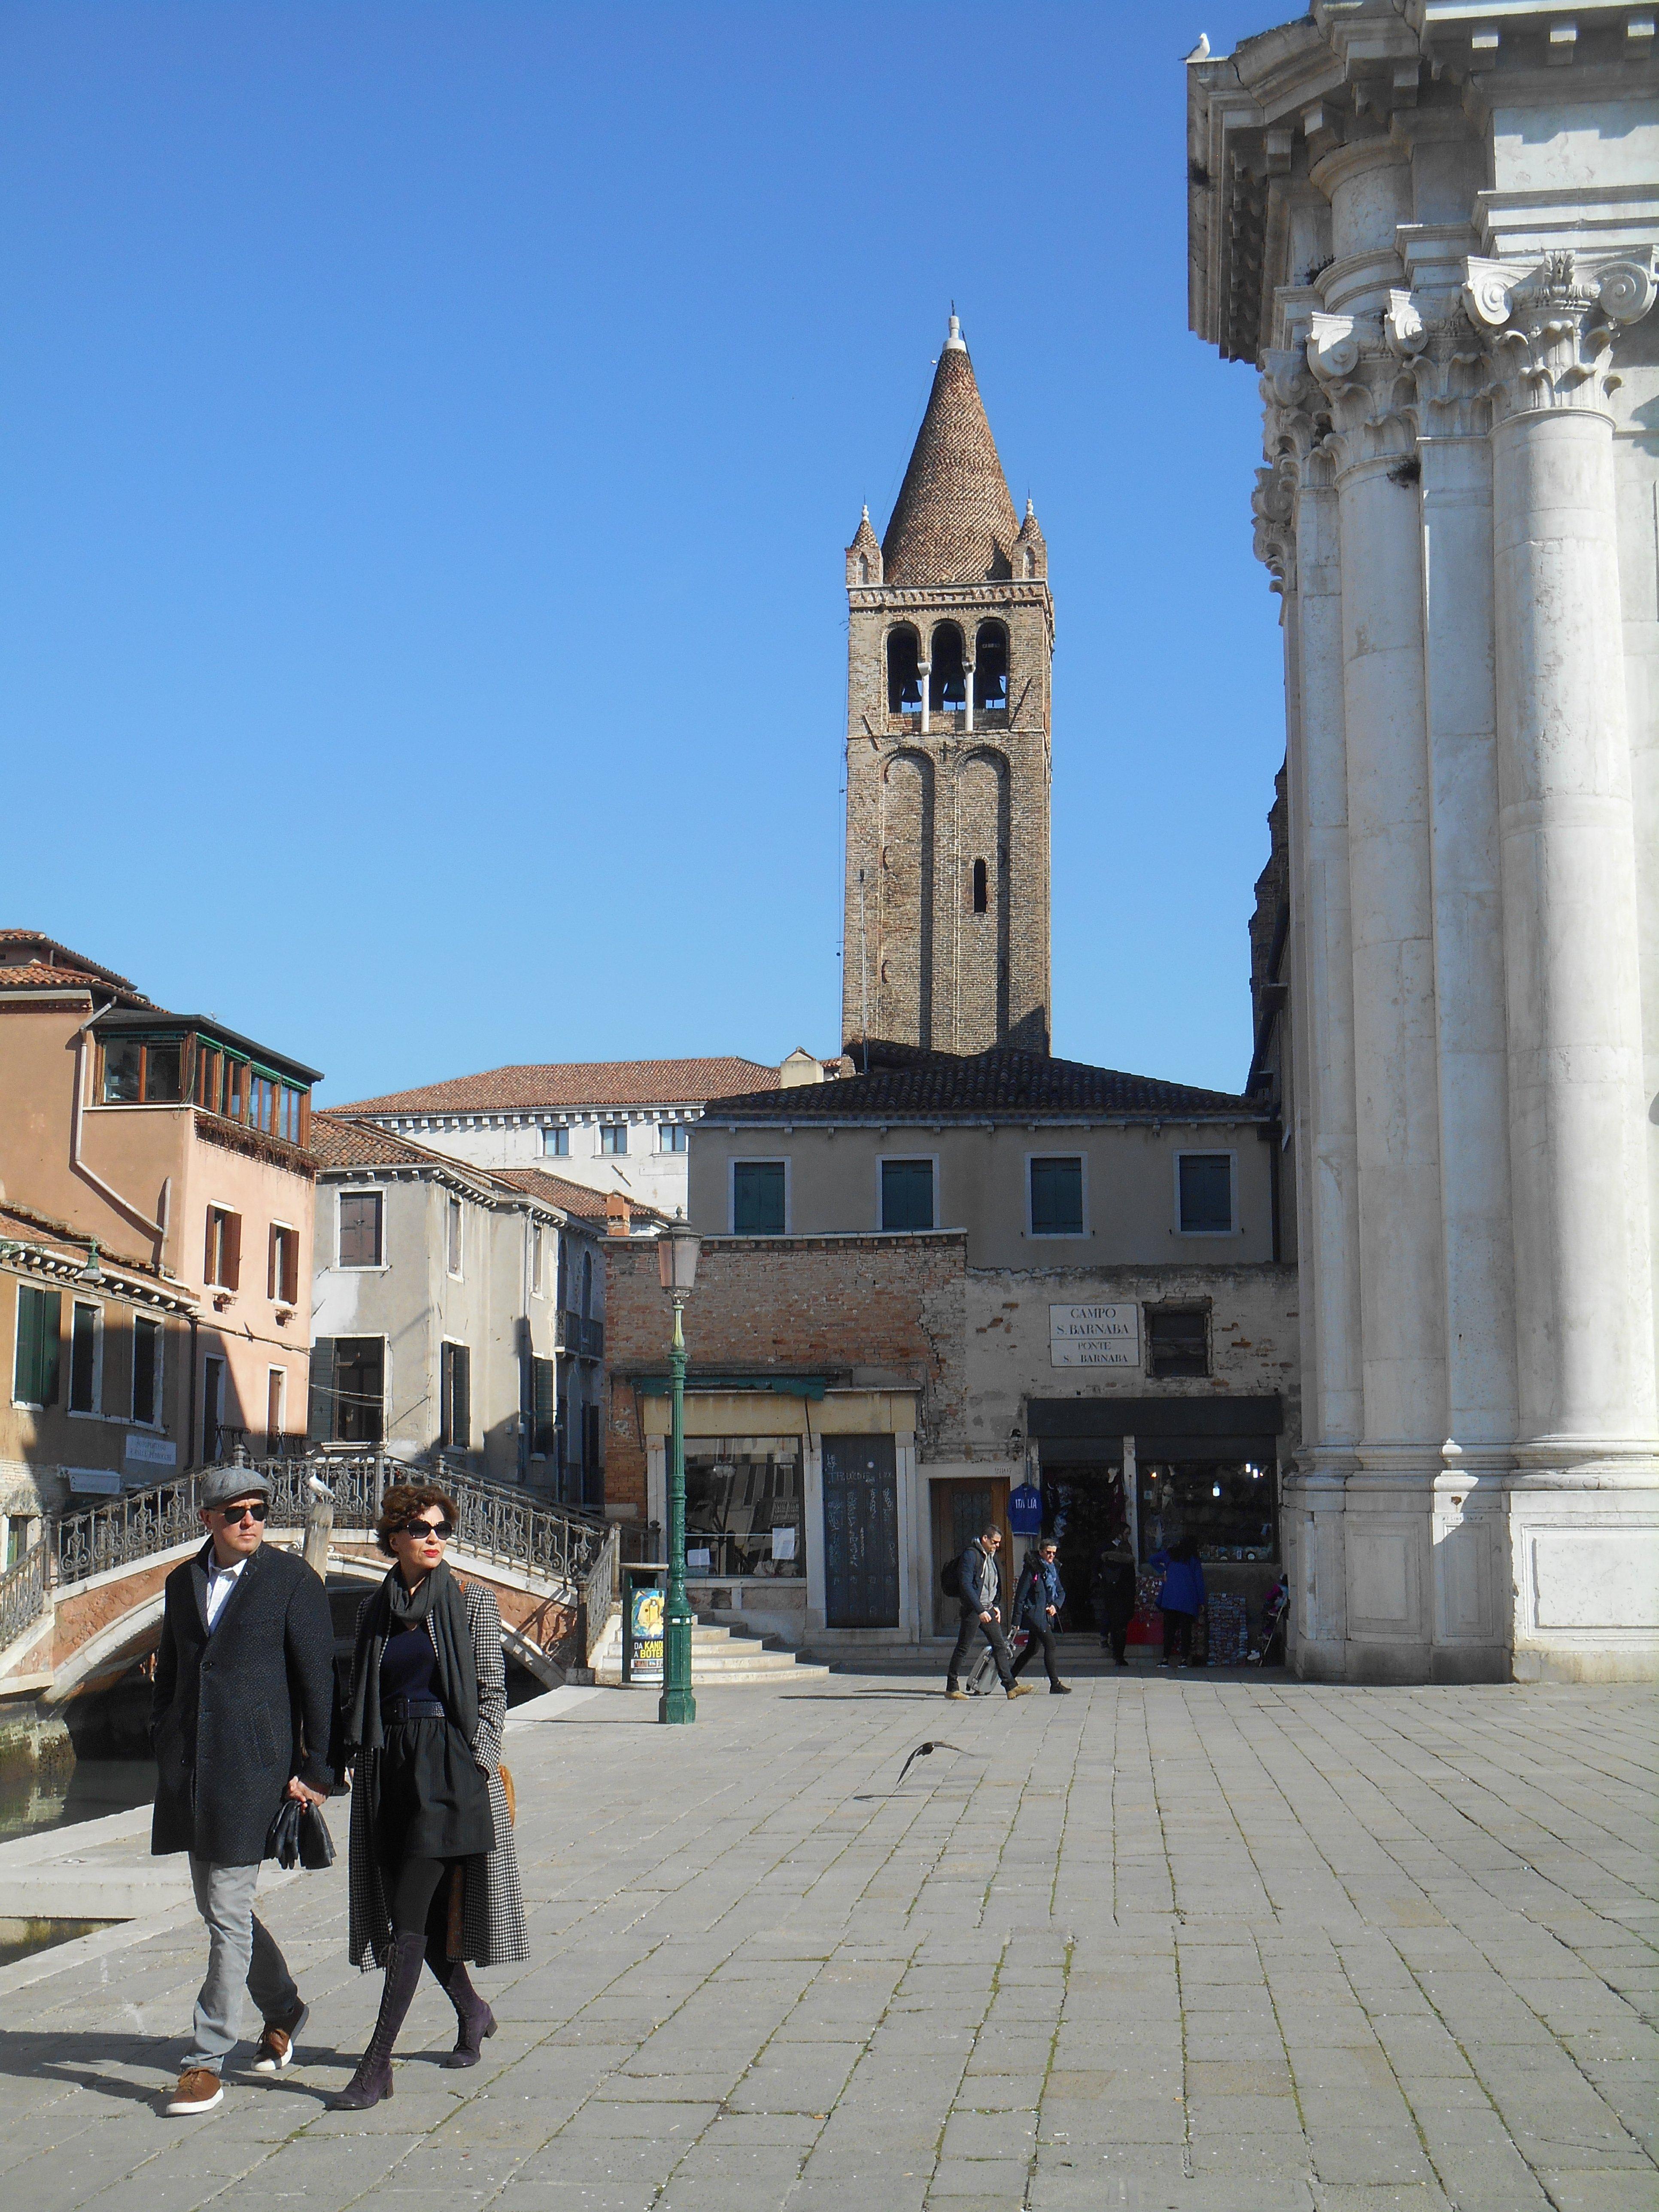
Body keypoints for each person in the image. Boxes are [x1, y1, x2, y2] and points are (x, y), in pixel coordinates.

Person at [333, 1481, 527, 2110]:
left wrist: (480, 1760)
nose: (435, 1538)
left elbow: (493, 1694)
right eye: (421, 1529)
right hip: (391, 1770)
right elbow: (360, 1692)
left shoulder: (471, 1603)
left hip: (448, 1771)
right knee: (410, 1916)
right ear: (394, 1539)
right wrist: (353, 1760)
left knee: (410, 1924)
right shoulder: (373, 1611)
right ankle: (473, 2013)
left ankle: (376, 2066)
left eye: (442, 1528)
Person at [149, 1465, 335, 2116]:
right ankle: (285, 2007)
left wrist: (318, 1771)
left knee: (226, 1913)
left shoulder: (291, 1582)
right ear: (208, 1520)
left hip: (255, 1773)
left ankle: (204, 2060)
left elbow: (319, 1681)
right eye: (236, 1512)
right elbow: (171, 1670)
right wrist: (164, 1736)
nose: (251, 1521)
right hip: (193, 1774)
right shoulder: (180, 1583)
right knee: (218, 1908)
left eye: (258, 1509)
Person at [945, 1525, 1031, 1702]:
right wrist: (980, 1610)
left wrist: (996, 1605)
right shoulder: (971, 1555)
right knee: (963, 1647)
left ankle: (1011, 1687)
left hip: (989, 1608)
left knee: (1000, 1645)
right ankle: (952, 1687)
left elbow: (996, 1583)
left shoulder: (992, 1558)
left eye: (999, 1543)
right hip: (974, 1610)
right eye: (994, 1542)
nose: (997, 1546)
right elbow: (966, 1585)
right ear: (985, 1538)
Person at [1010, 1538, 1072, 1693]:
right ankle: (1055, 1684)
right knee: (1051, 1644)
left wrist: (1055, 1606)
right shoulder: (1032, 1569)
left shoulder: (1053, 1569)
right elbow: (1020, 1596)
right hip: (1034, 1615)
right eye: (1048, 1553)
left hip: (1045, 1614)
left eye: (1054, 1553)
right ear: (1041, 1552)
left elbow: (1061, 1592)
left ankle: (1009, 1678)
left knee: (1032, 1649)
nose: (1051, 1556)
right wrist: (1016, 1621)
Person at [1152, 1535, 1206, 1667]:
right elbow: (1199, 1582)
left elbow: (1152, 1559)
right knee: (1186, 1631)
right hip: (1188, 1600)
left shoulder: (1170, 1554)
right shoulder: (1193, 1560)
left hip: (1170, 1599)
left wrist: (1163, 1571)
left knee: (1169, 1630)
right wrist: (1202, 1602)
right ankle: (1183, 1660)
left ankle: (1165, 1659)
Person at [1090, 1528, 1138, 1668]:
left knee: (1113, 1626)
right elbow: (1131, 1586)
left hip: (1110, 1599)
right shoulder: (1128, 1565)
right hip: (1124, 1601)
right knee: (1121, 1630)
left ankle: (1114, 1651)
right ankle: (1119, 1657)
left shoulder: (1107, 1562)